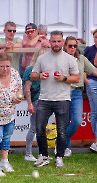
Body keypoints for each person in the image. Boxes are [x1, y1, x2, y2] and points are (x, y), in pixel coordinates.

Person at [31, 31, 80, 168]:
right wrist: (40, 75)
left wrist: (63, 78)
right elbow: (33, 74)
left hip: (62, 99)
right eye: (54, 41)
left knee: (62, 131)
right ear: (50, 42)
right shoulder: (42, 58)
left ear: (62, 42)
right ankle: (44, 156)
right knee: (40, 128)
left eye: (59, 41)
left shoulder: (69, 59)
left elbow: (76, 78)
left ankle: (59, 156)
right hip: (44, 98)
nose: (56, 44)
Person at [23, 47, 51, 161]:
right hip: (36, 100)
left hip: (46, 100)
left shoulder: (47, 70)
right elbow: (27, 89)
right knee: (34, 127)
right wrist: (29, 103)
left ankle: (42, 153)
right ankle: (28, 153)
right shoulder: (31, 70)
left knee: (42, 128)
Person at [84, 29, 97, 152]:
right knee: (95, 111)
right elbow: (83, 65)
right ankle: (96, 141)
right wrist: (86, 80)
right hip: (92, 80)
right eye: (96, 37)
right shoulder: (90, 50)